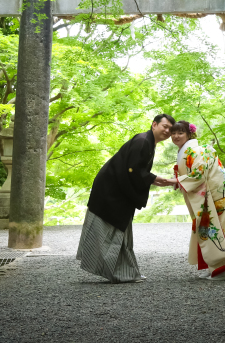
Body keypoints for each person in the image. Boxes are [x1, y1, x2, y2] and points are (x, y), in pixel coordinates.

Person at [76, 113, 178, 283]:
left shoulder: (148, 142)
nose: (167, 131)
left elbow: (137, 171)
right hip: (111, 191)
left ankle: (126, 272)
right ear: (154, 124)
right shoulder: (143, 140)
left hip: (117, 189)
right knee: (112, 230)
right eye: (165, 126)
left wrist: (155, 180)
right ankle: (121, 273)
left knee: (120, 231)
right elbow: (134, 170)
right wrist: (156, 179)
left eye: (170, 129)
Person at [172, 120, 225, 280]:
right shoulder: (188, 150)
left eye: (180, 132)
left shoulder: (195, 150)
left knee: (217, 226)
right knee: (205, 226)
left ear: (189, 134)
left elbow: (197, 175)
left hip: (216, 193)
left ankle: (222, 266)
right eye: (173, 133)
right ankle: (211, 264)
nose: (176, 136)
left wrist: (176, 181)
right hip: (211, 192)